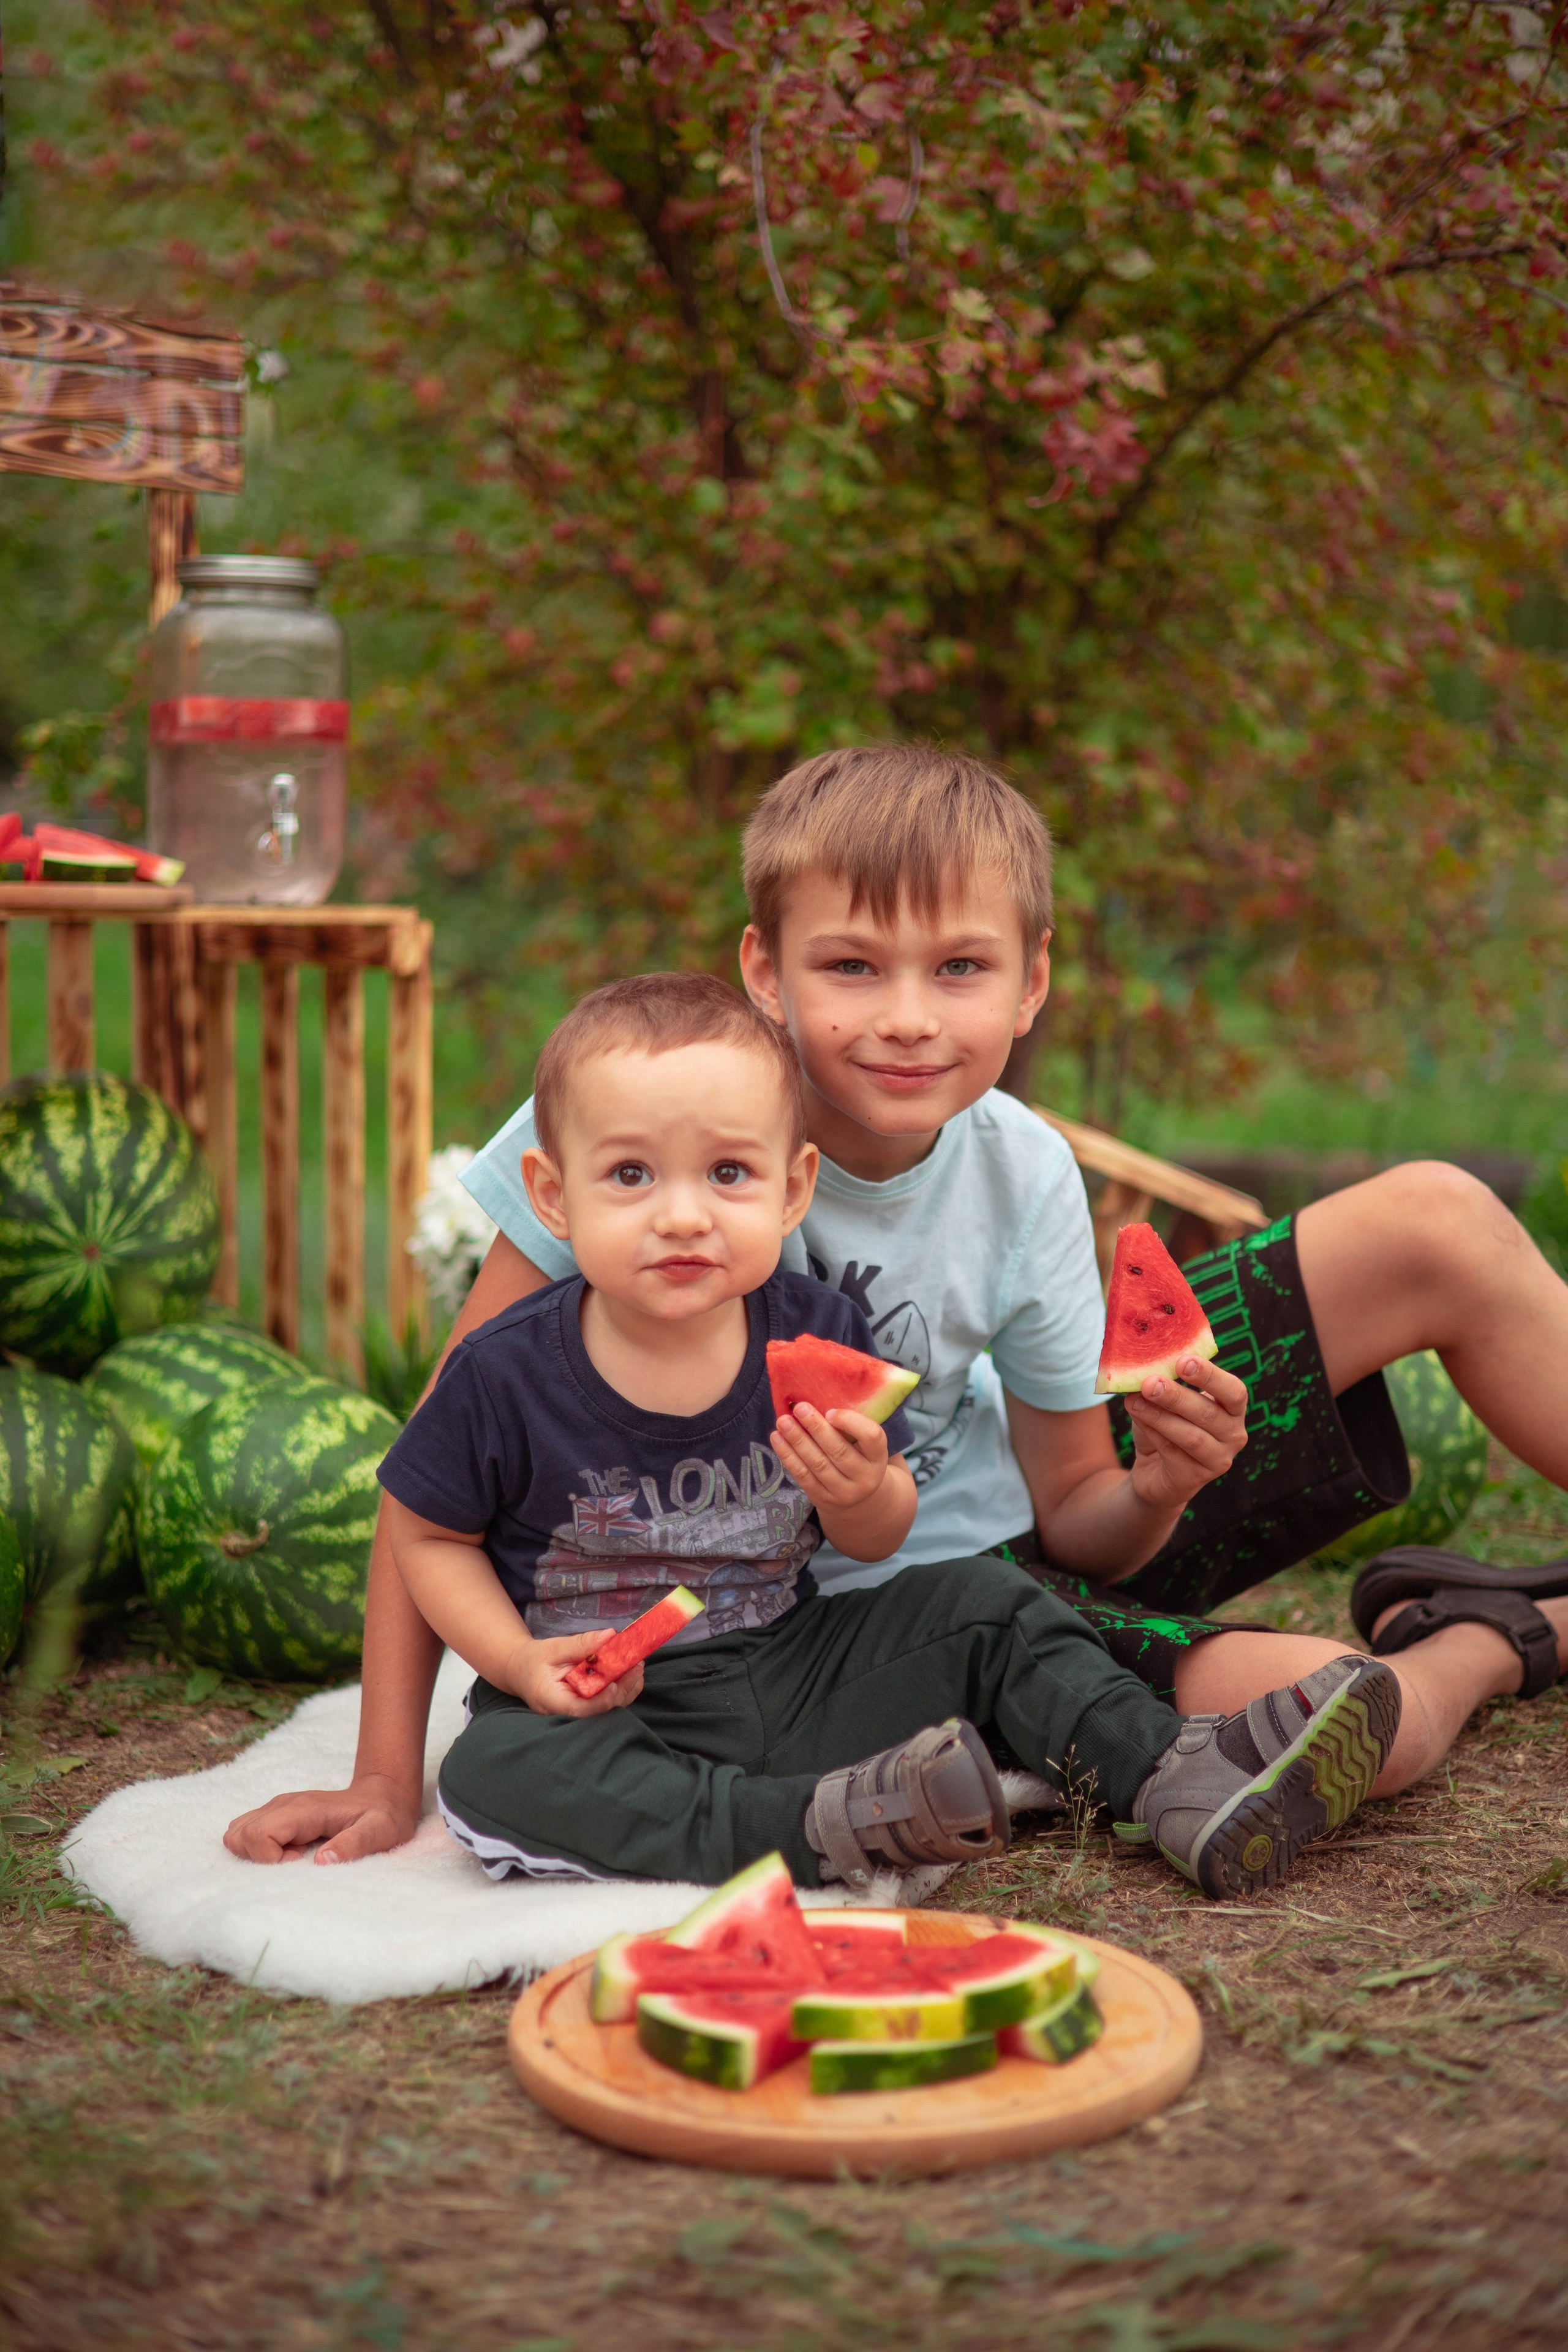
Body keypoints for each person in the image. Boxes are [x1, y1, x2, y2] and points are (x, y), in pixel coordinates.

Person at [225, 747, 1568, 1874]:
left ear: (1029, 981)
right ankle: (1494, 1638)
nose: (908, 1021)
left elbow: (1082, 1525)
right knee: (1364, 1724)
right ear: (766, 969)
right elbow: (438, 1461)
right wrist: (386, 1779)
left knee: (1434, 1217)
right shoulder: (646, 1127)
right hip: (836, 1623)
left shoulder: (1022, 1164)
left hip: (1019, 1543)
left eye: (960, 970)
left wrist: (1159, 1480)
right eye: (853, 968)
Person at [371, 968, 1400, 1896]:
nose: (682, 1216)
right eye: (632, 1177)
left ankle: (1175, 1777)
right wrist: (512, 1663)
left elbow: (877, 1537)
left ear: (792, 1190)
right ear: (552, 1196)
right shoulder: (501, 1371)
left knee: (989, 1605)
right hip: (611, 1702)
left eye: (728, 1175)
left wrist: (861, 1492)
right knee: (493, 1769)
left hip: (799, 1664)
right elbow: (426, 1536)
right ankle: (815, 1827)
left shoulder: (821, 1330)